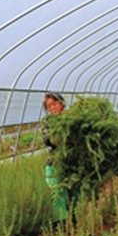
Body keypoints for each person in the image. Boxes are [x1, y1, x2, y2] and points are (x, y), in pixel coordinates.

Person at [41, 92, 79, 223]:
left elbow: (79, 137)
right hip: (55, 163)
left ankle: (75, 220)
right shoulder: (47, 122)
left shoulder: (72, 119)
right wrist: (67, 139)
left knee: (75, 192)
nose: (52, 107)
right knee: (57, 192)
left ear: (62, 104)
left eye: (54, 104)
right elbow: (49, 140)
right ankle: (61, 223)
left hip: (72, 162)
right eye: (49, 106)